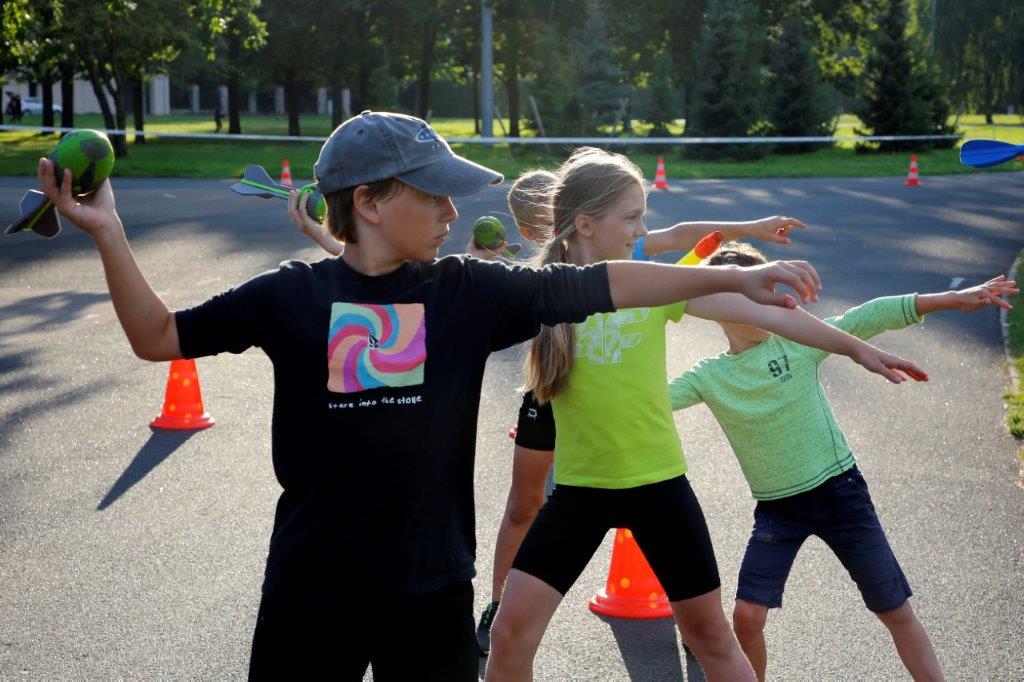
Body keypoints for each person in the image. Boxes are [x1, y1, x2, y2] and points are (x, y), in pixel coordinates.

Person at [34, 112, 828, 680]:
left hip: (432, 593)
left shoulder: (465, 293)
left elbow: (604, 282)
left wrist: (735, 275)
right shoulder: (289, 297)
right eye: (434, 195)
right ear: (370, 202)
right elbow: (158, 336)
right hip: (310, 591)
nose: (454, 211)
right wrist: (108, 230)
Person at [484, 147, 926, 681]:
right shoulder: (541, 293)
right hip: (579, 492)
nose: (643, 230)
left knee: (712, 638)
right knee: (509, 635)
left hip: (658, 490)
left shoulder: (651, 286)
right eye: (632, 218)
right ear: (585, 225)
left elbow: (764, 314)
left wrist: (855, 349)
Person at [475, 175, 809, 655]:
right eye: (632, 216)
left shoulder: (625, 249)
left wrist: (750, 228)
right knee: (524, 505)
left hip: (625, 439)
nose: (640, 227)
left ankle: (696, 620)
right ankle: (497, 603)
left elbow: (680, 236)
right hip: (550, 387)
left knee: (685, 585)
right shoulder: (541, 274)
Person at [667, 241, 1016, 681]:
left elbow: (866, 316)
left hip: (841, 495)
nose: (764, 306)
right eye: (746, 298)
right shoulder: (709, 376)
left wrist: (950, 298)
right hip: (778, 510)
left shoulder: (798, 342)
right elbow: (652, 400)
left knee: (894, 610)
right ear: (714, 310)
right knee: (747, 616)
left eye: (768, 293)